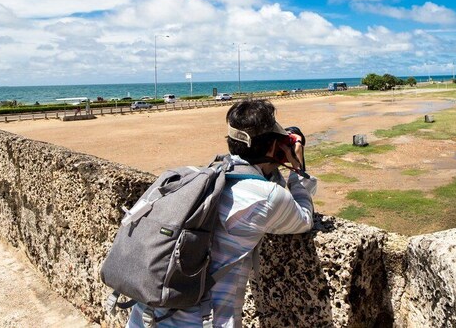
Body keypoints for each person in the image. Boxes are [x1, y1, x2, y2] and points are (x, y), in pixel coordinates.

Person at [127, 99, 317, 328]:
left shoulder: (204, 175)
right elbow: (304, 218)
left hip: (144, 315)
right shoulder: (266, 197)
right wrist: (297, 170)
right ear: (271, 147)